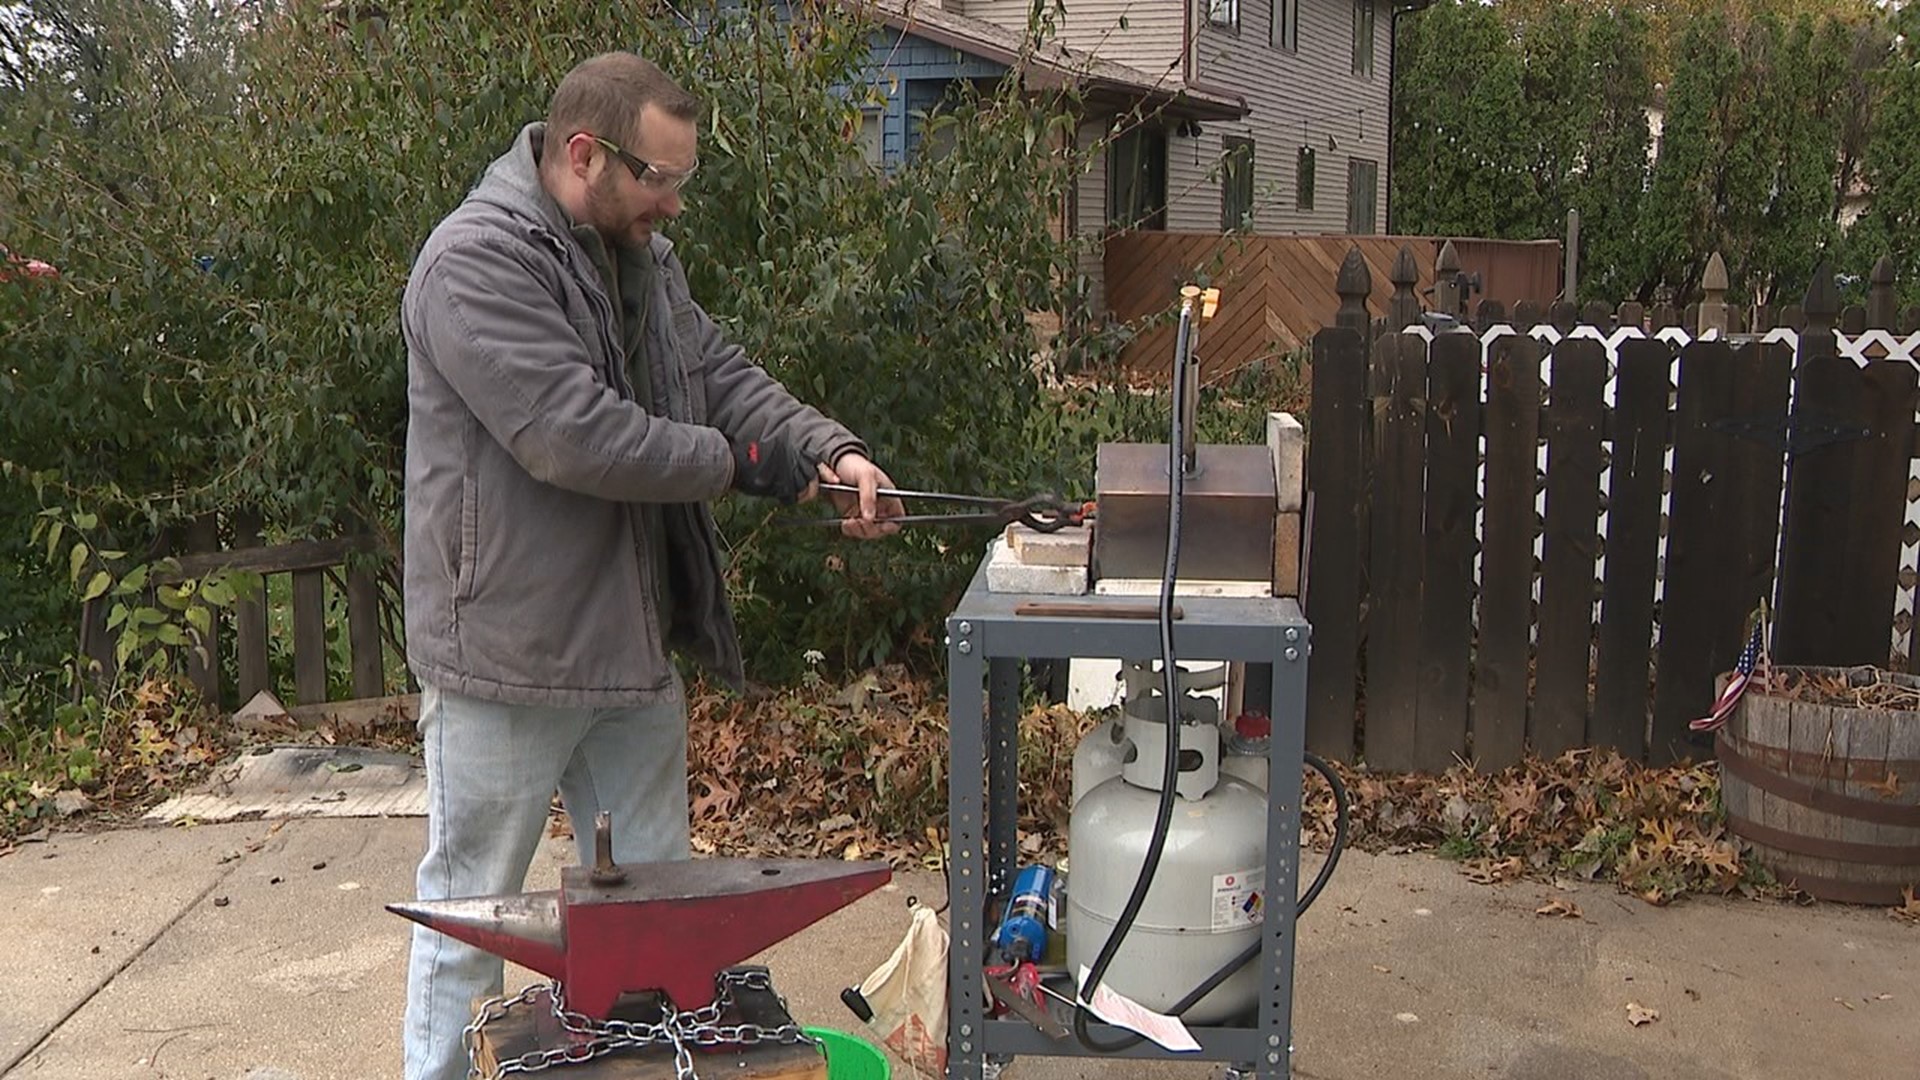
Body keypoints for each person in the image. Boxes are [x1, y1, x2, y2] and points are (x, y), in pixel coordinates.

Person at [398, 51, 903, 1080]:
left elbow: (715, 376)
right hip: (507, 658)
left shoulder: (640, 257)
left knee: (656, 936)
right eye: (658, 178)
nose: (673, 203)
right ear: (586, 154)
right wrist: (744, 466)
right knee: (466, 935)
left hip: (628, 655)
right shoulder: (475, 263)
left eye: (683, 179)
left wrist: (824, 451)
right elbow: (575, 438)